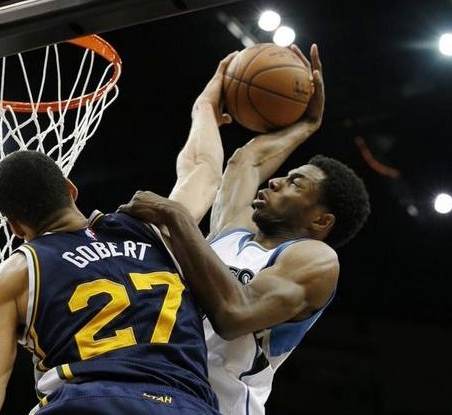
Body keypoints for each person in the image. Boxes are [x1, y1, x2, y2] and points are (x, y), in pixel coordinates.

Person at [0, 52, 239, 415]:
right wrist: (205, 106)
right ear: (71, 190)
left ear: (15, 227)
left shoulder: (11, 275)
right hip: (180, 404)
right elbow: (204, 169)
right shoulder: (155, 226)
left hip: (86, 404)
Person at [118, 43, 371, 415]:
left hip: (213, 407)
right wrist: (303, 125)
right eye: (284, 175)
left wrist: (177, 218)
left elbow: (234, 314)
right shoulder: (231, 232)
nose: (276, 181)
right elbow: (246, 161)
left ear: (321, 220)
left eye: (295, 184)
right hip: (150, 393)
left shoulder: (315, 260)